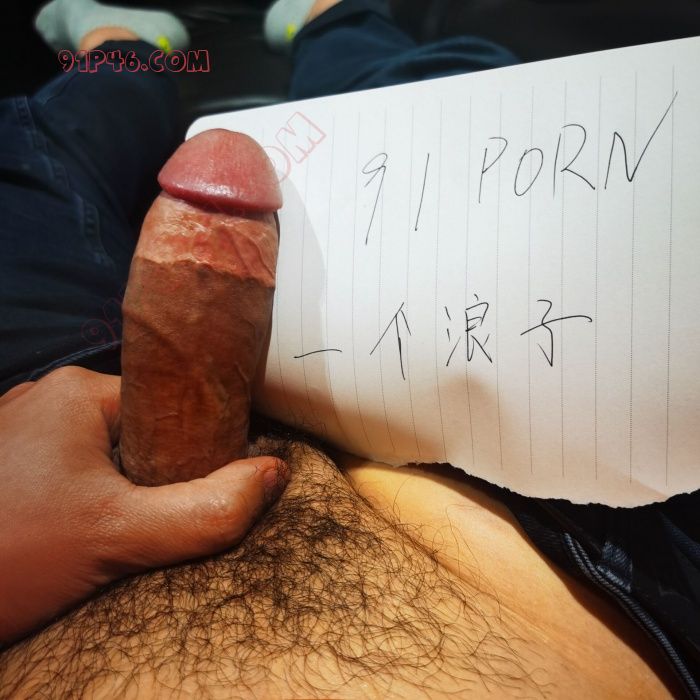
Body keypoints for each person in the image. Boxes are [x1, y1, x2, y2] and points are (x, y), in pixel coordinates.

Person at [0, 0, 697, 697]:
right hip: (557, 519)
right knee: (432, 94)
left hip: (63, 443)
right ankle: (326, 16)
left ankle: (122, 47)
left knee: (29, 176)